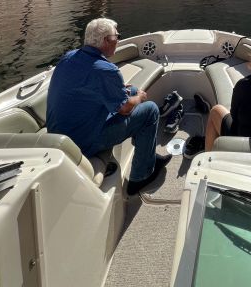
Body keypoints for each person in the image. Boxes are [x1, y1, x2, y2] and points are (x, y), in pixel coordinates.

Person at [46, 18, 171, 195]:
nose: (119, 40)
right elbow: (125, 108)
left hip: (62, 131)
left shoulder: (69, 57)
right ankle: (140, 177)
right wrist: (140, 97)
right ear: (106, 40)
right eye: (117, 36)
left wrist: (125, 92)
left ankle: (147, 157)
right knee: (149, 110)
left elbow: (87, 89)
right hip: (82, 141)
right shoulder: (105, 70)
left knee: (131, 90)